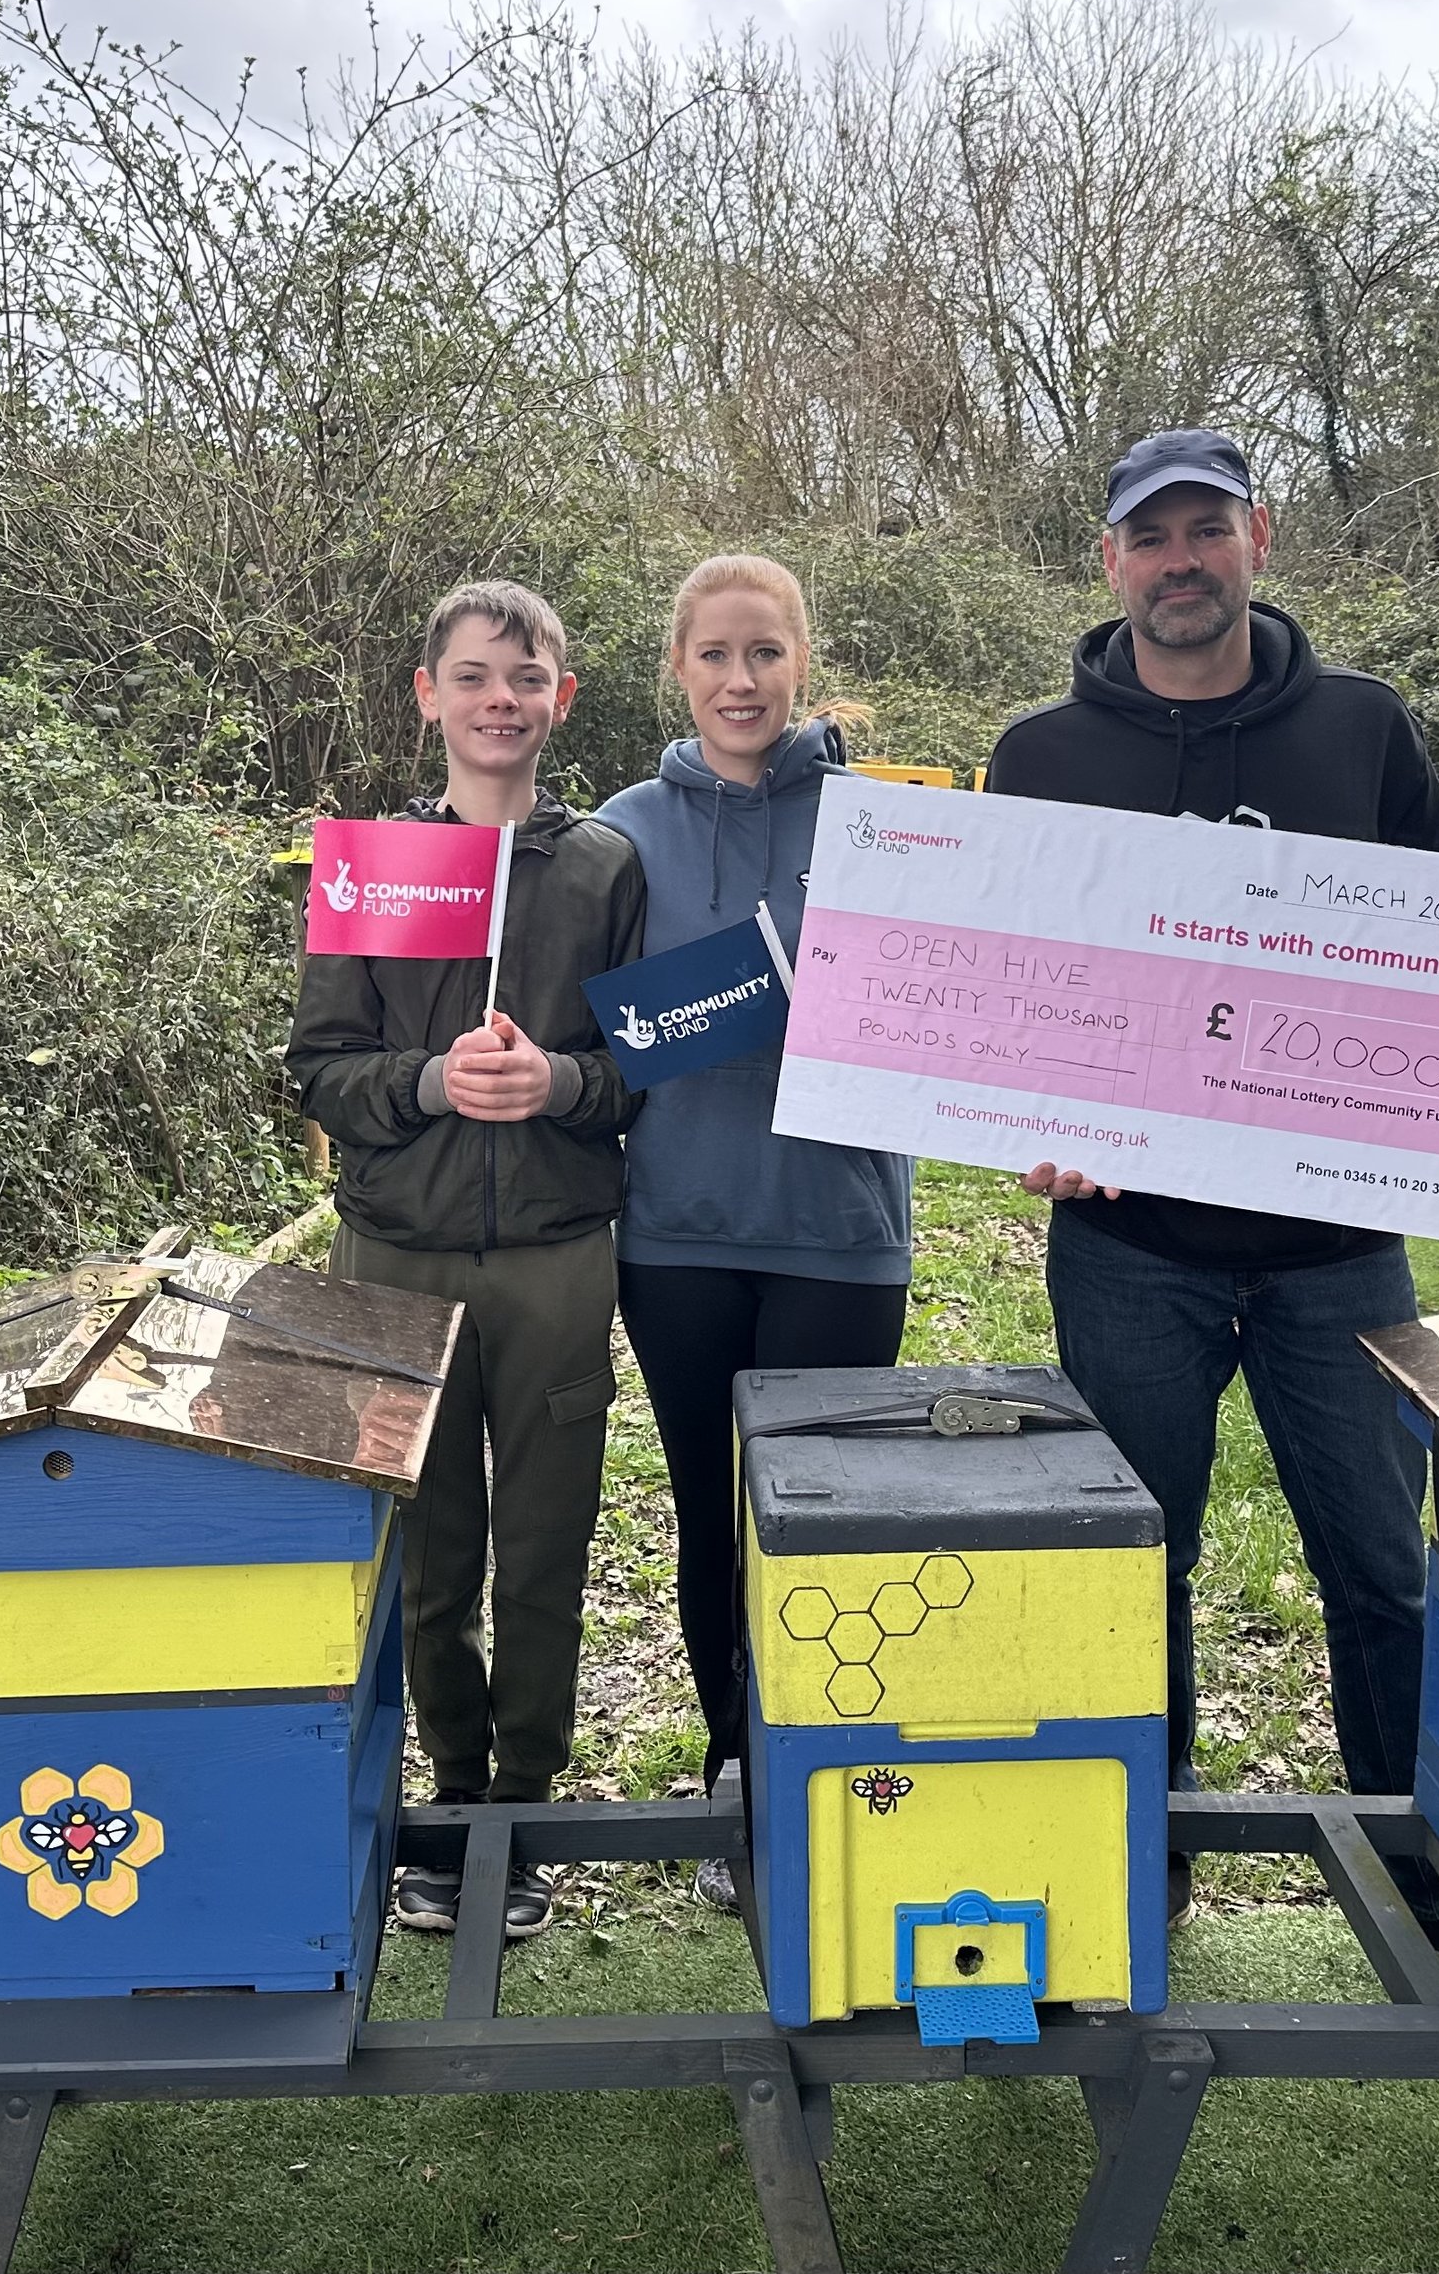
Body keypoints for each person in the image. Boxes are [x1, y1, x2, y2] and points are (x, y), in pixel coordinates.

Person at [985, 429, 1439, 1930]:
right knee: (1124, 1562)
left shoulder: (1363, 727)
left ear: (1258, 540)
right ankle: (1137, 1858)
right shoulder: (1039, 758)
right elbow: (1002, 989)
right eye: (1149, 537)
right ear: (1110, 564)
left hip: (1338, 1245)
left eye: (1204, 530)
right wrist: (1019, 1115)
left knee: (1378, 1570)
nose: (1179, 561)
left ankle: (1416, 1867)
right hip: (1128, 1247)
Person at [288, 578, 644, 1945]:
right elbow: (319, 1065)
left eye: (529, 674)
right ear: (428, 695)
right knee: (429, 1551)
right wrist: (432, 1079)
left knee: (546, 1544)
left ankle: (525, 1806)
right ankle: (443, 1801)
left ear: (563, 696)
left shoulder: (609, 867)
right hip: (398, 1257)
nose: (504, 697)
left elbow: (644, 1066)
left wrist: (560, 1080)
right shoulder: (375, 865)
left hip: (558, 1259)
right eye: (477, 675)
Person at [597, 555, 914, 1908]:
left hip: (839, 1227)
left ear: (801, 661)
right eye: (717, 654)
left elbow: (956, 1005)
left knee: (832, 1516)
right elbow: (593, 1033)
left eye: (766, 653)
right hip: (678, 1234)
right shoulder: (619, 833)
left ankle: (826, 1758)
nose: (742, 679)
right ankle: (737, 1761)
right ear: (678, 667)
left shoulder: (884, 827)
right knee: (714, 1509)